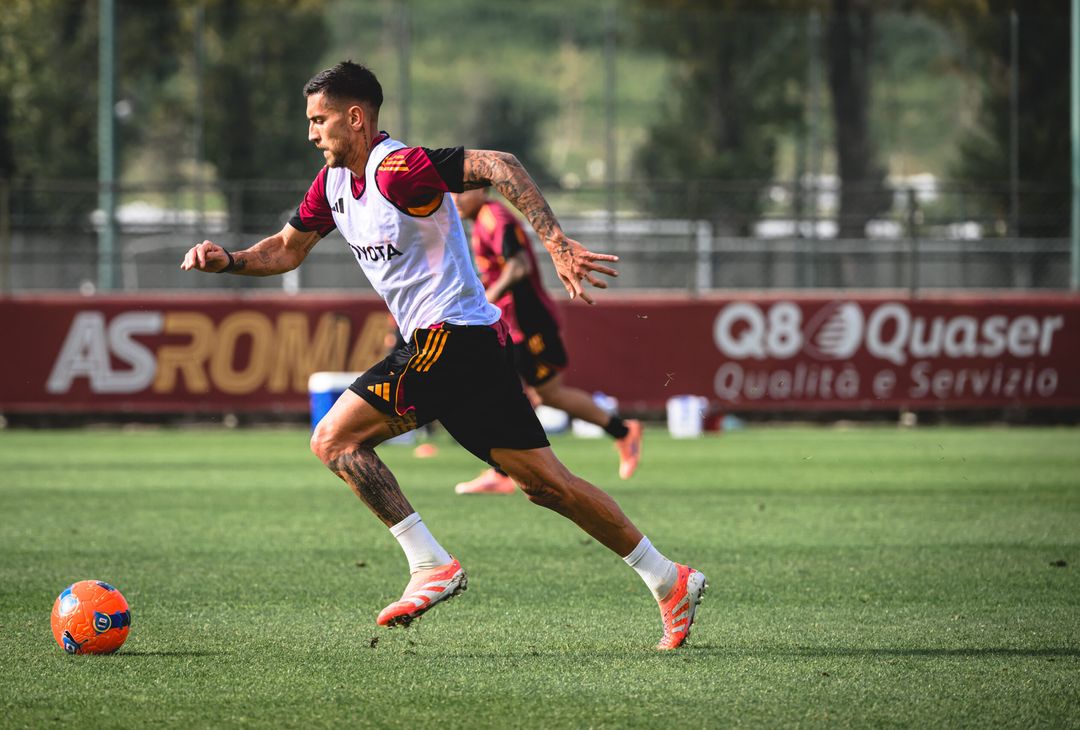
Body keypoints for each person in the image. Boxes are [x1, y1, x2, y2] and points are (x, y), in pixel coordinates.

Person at [180, 61, 705, 650]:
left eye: (319, 120)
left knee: (334, 439)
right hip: (472, 344)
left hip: (449, 338)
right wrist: (228, 260)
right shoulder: (331, 185)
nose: (311, 133)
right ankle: (669, 579)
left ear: (355, 118)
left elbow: (500, 165)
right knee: (546, 485)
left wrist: (555, 242)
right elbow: (285, 249)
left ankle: (429, 564)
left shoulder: (398, 169)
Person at [451, 188, 642, 495]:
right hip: (510, 322)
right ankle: (504, 471)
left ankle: (622, 431)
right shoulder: (481, 221)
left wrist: (487, 300)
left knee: (540, 393)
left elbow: (519, 266)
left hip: (528, 322)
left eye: (462, 190)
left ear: (483, 190)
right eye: (452, 191)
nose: (455, 197)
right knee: (519, 391)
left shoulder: (495, 218)